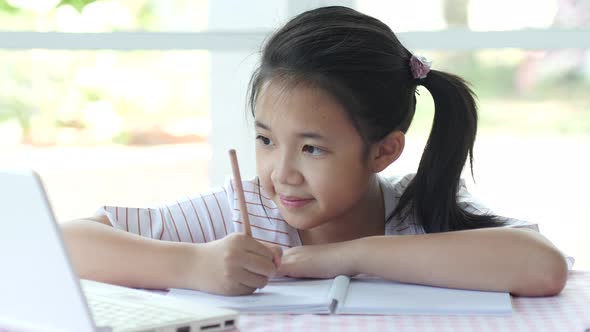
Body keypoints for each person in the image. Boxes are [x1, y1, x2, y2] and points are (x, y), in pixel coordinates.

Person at [61, 6, 568, 297]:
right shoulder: (248, 211)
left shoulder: (420, 207)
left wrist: (341, 258)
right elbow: (67, 242)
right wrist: (193, 265)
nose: (281, 173)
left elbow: (542, 267)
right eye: (265, 140)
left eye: (312, 149)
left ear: (384, 151)